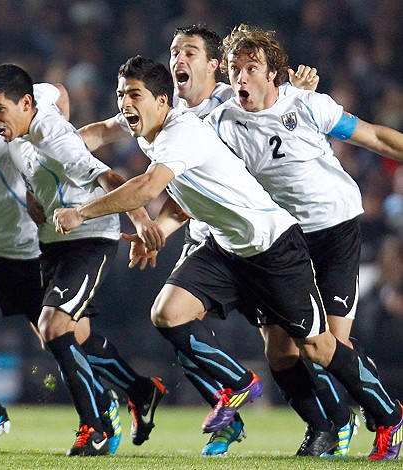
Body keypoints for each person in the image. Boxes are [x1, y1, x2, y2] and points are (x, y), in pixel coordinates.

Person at [53, 55, 403, 461]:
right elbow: (171, 190)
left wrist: (81, 212)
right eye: (120, 95)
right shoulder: (164, 129)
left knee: (319, 347)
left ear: (163, 100)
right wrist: (158, 232)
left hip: (273, 247)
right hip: (227, 247)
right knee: (170, 313)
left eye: (134, 95)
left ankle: (387, 414)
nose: (126, 103)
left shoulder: (181, 132)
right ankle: (254, 392)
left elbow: (148, 187)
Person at [78, 23, 330, 457]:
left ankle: (331, 422)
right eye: (175, 50)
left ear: (215, 66)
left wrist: (299, 92)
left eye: (190, 52)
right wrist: (47, 145)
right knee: (170, 316)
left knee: (292, 345)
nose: (179, 59)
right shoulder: (157, 106)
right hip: (211, 240)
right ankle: (229, 405)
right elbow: (102, 132)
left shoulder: (230, 104)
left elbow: (274, 108)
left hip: (256, 236)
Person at [206, 23, 403, 459]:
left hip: (335, 230)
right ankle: (326, 426)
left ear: (274, 71)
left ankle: (387, 418)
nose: (242, 77)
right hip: (281, 241)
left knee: (331, 344)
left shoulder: (309, 105)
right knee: (279, 351)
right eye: (235, 69)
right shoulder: (221, 120)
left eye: (252, 67)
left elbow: (371, 135)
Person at [0, 63, 167, 456]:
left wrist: (144, 222)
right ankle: (140, 389)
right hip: (53, 240)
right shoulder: (33, 109)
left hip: (88, 237)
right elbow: (58, 89)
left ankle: (95, 427)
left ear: (25, 103)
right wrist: (35, 192)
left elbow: (109, 178)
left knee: (53, 327)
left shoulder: (54, 140)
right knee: (71, 336)